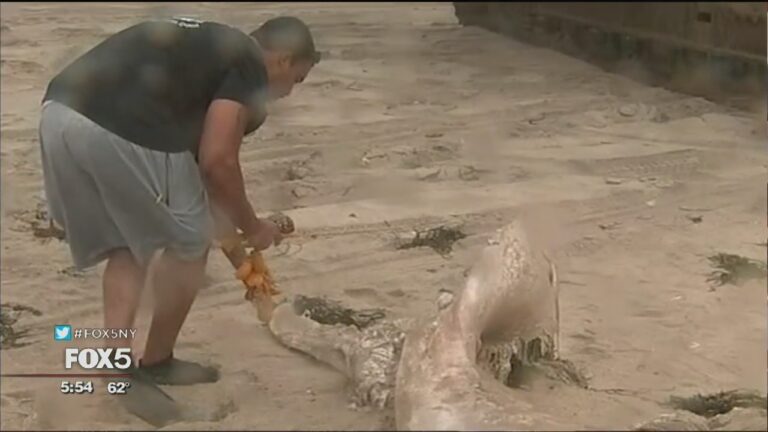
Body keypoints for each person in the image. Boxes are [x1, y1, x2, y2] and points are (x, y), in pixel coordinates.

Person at [38, 15, 319, 425]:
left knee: (127, 245)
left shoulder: (199, 60)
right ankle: (156, 360)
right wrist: (255, 227)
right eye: (297, 79)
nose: (288, 94)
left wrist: (245, 264)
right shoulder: (246, 65)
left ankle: (116, 365)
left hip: (59, 114)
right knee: (188, 247)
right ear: (282, 59)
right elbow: (218, 163)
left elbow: (201, 194)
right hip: (123, 129)